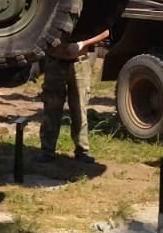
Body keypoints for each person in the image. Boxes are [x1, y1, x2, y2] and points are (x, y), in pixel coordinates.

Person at [35, 27, 112, 163]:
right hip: (55, 62)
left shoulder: (86, 14)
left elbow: (105, 32)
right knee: (51, 108)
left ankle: (82, 150)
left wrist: (83, 44)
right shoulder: (56, 10)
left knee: (79, 108)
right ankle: (47, 150)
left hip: (80, 63)